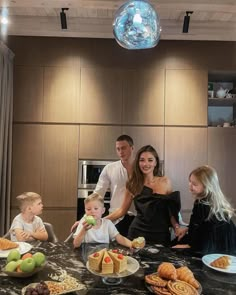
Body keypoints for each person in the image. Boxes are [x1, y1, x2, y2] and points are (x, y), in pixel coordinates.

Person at [105, 145, 181, 246]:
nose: (146, 164)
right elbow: (121, 211)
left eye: (150, 160)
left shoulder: (165, 182)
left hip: (161, 234)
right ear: (138, 163)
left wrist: (176, 227)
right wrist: (100, 220)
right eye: (142, 160)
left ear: (155, 162)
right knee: (135, 261)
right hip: (137, 234)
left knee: (161, 262)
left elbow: (171, 210)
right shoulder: (132, 184)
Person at [72, 134, 136, 236]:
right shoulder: (109, 168)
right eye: (118, 149)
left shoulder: (141, 168)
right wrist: (85, 219)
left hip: (138, 218)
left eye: (123, 148)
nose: (121, 152)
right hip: (116, 218)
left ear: (132, 148)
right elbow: (96, 196)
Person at [173, 165, 236, 255]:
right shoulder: (214, 202)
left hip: (213, 248)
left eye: (194, 184)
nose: (190, 185)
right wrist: (187, 228)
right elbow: (204, 226)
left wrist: (189, 246)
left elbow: (201, 236)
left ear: (207, 186)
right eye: (190, 181)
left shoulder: (201, 205)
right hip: (227, 247)